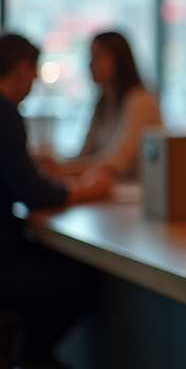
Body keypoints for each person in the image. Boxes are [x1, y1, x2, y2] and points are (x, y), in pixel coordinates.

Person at [0, 33, 113, 369]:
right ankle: (31, 356)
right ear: (22, 69)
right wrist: (88, 190)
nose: (32, 86)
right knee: (85, 280)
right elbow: (33, 194)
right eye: (33, 76)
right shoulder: (4, 112)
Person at [49, 31, 162, 181]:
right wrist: (56, 165)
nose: (90, 64)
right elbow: (85, 153)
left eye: (97, 57)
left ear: (118, 59)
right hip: (114, 196)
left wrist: (61, 171)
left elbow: (118, 162)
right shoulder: (103, 102)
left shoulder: (139, 100)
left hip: (140, 197)